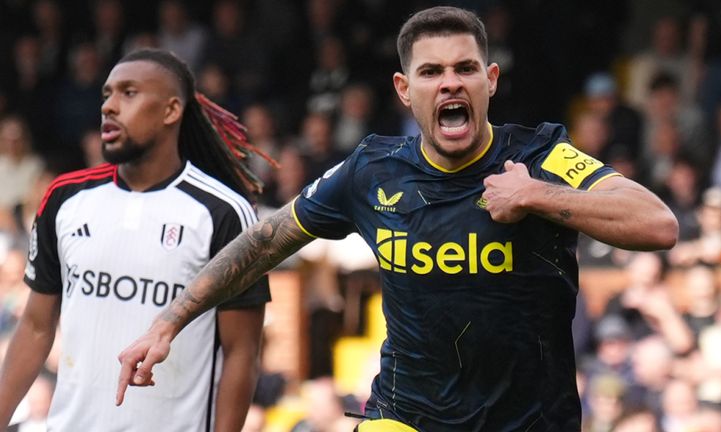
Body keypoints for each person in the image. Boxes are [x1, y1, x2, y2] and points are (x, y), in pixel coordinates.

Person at [117, 7, 678, 431]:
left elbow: (657, 224)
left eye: (465, 68)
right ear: (405, 90)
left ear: (492, 80)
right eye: (432, 72)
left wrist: (536, 196)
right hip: (405, 417)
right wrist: (168, 322)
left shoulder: (543, 157)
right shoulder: (371, 170)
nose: (450, 82)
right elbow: (266, 240)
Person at [0, 48, 271, 431]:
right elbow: (35, 327)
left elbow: (241, 352)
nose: (109, 106)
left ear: (171, 111)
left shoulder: (224, 212)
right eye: (106, 94)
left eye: (129, 93)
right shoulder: (63, 198)